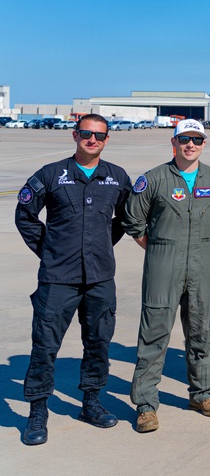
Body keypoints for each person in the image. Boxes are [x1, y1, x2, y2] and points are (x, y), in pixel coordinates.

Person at [14, 114, 132, 446]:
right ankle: (38, 411)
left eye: (99, 135)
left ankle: (91, 403)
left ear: (107, 139)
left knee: (98, 343)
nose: (92, 140)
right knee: (45, 346)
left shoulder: (117, 177)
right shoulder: (52, 174)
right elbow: (25, 215)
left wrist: (103, 246)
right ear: (74, 135)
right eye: (86, 134)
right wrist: (49, 250)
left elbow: (126, 218)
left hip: (100, 278)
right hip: (57, 278)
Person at [123, 119, 210, 433]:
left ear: (203, 143)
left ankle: (202, 394)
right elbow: (134, 220)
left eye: (196, 139)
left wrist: (194, 241)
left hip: (200, 263)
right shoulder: (154, 179)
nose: (190, 145)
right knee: (154, 334)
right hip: (163, 263)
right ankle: (145, 406)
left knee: (201, 331)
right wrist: (159, 246)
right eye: (184, 139)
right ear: (174, 143)